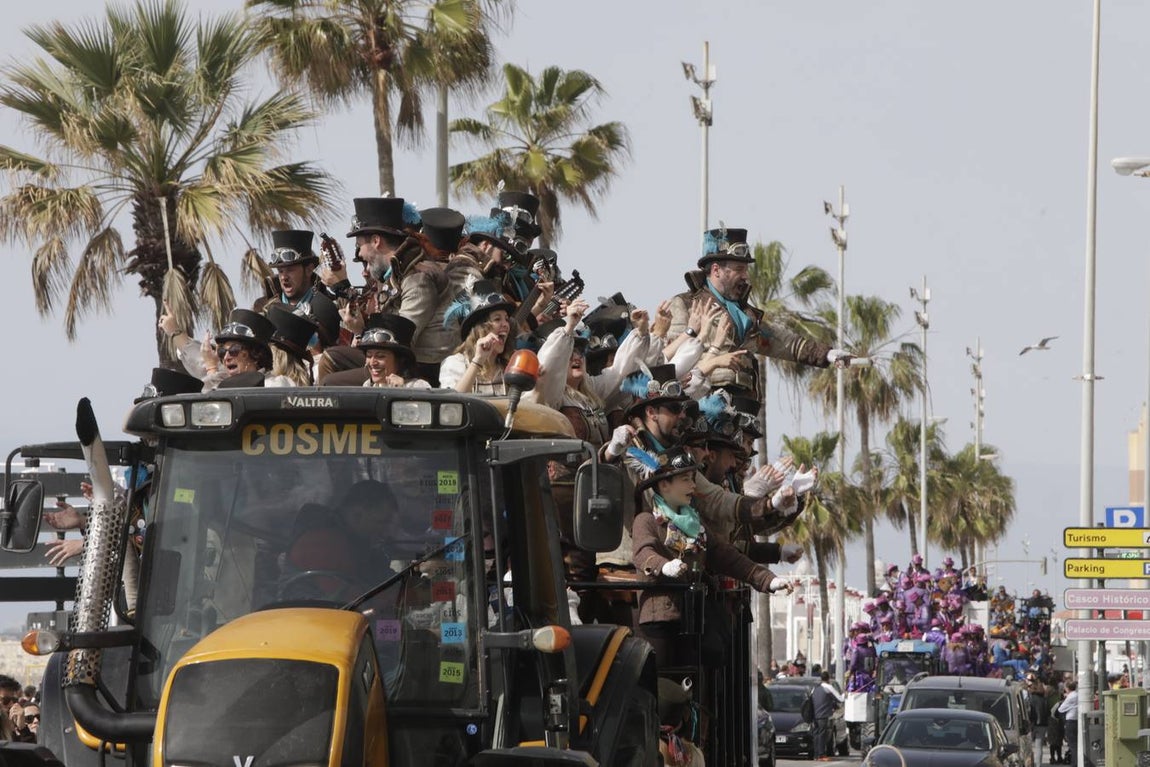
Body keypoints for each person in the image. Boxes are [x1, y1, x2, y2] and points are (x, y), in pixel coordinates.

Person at [665, 226, 852, 398]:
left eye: (746, 270)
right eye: (739, 269)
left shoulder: (746, 316)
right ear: (716, 270)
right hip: (701, 404)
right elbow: (671, 366)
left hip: (741, 406)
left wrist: (828, 354)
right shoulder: (686, 305)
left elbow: (786, 343)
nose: (745, 276)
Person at [438, 279, 516, 394]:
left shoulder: (511, 365)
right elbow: (453, 401)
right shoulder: (455, 364)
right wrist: (477, 361)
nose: (505, 324)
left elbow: (526, 403)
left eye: (506, 319)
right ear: (479, 329)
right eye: (497, 319)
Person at [356, 314, 431, 389]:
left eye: (380, 356)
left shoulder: (419, 387)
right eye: (369, 356)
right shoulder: (368, 385)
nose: (372, 363)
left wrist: (401, 391)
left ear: (401, 360)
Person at [812, 670, 844, 760]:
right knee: (822, 734)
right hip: (823, 714)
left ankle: (816, 755)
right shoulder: (829, 687)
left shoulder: (815, 688)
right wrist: (845, 695)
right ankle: (821, 755)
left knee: (816, 734)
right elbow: (840, 699)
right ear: (828, 679)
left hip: (815, 714)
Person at [1057, 680, 1077, 766]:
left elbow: (1061, 709)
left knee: (1072, 744)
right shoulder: (1078, 695)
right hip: (1078, 720)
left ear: (1067, 688)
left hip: (1071, 721)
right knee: (1077, 743)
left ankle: (1075, 763)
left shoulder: (1070, 697)